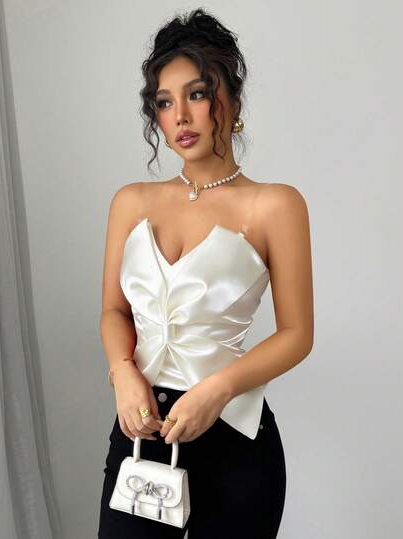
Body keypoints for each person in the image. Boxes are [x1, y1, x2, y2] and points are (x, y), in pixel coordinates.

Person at [97, 7, 314, 539]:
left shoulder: (275, 205)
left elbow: (297, 335)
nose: (180, 116)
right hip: (140, 428)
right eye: (164, 102)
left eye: (196, 94)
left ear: (232, 101)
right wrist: (123, 373)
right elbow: (113, 311)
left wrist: (215, 392)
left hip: (234, 436)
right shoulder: (130, 202)